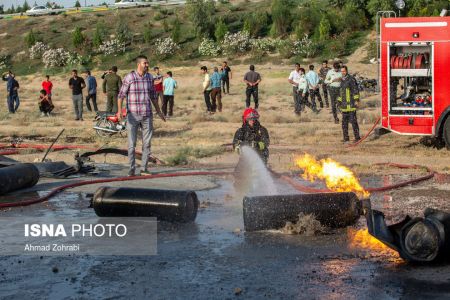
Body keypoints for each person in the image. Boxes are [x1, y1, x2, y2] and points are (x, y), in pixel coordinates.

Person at [117, 55, 166, 176]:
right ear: (139, 64)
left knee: (147, 143)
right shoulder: (130, 77)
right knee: (132, 143)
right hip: (132, 115)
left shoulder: (150, 77)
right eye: (145, 63)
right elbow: (121, 95)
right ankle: (131, 169)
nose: (147, 65)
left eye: (147, 63)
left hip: (147, 114)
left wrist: (159, 112)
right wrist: (119, 111)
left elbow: (153, 96)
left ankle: (144, 169)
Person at [337, 66, 361, 143]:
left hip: (351, 105)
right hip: (344, 106)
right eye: (341, 71)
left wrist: (356, 100)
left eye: (344, 71)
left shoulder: (351, 79)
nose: (342, 72)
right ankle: (346, 138)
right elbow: (341, 92)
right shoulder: (342, 80)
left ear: (346, 71)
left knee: (354, 123)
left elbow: (355, 90)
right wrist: (339, 102)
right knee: (344, 124)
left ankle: (357, 138)